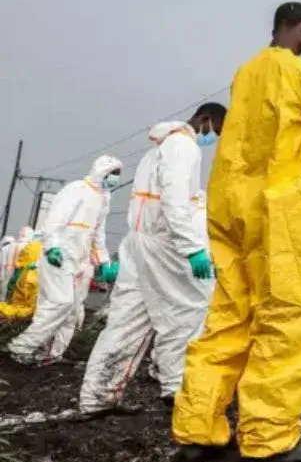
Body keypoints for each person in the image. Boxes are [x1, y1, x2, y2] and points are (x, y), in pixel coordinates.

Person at [171, 1, 301, 462]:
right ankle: (269, 438)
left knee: (228, 318)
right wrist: (299, 168)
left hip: (230, 207)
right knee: (290, 318)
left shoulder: (244, 74)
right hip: (279, 209)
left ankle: (197, 430)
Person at [79, 105, 226, 417]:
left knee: (128, 319)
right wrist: (192, 248)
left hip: (137, 241)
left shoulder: (158, 148)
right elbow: (174, 199)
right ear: (205, 120)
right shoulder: (183, 146)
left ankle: (97, 398)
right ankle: (176, 387)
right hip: (163, 243)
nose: (215, 137)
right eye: (217, 129)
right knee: (189, 311)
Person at [7, 156, 122, 364]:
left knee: (70, 310)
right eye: (112, 173)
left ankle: (50, 352)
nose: (115, 178)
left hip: (79, 259)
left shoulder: (104, 198)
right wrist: (52, 247)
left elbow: (98, 234)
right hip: (59, 255)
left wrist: (103, 261)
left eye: (117, 175)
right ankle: (22, 345)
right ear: (101, 172)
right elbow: (55, 219)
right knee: (61, 302)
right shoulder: (77, 189)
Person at [2, 228, 43, 320]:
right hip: (27, 275)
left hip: (16, 274)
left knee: (10, 299)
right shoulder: (40, 248)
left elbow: (19, 264)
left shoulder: (27, 246)